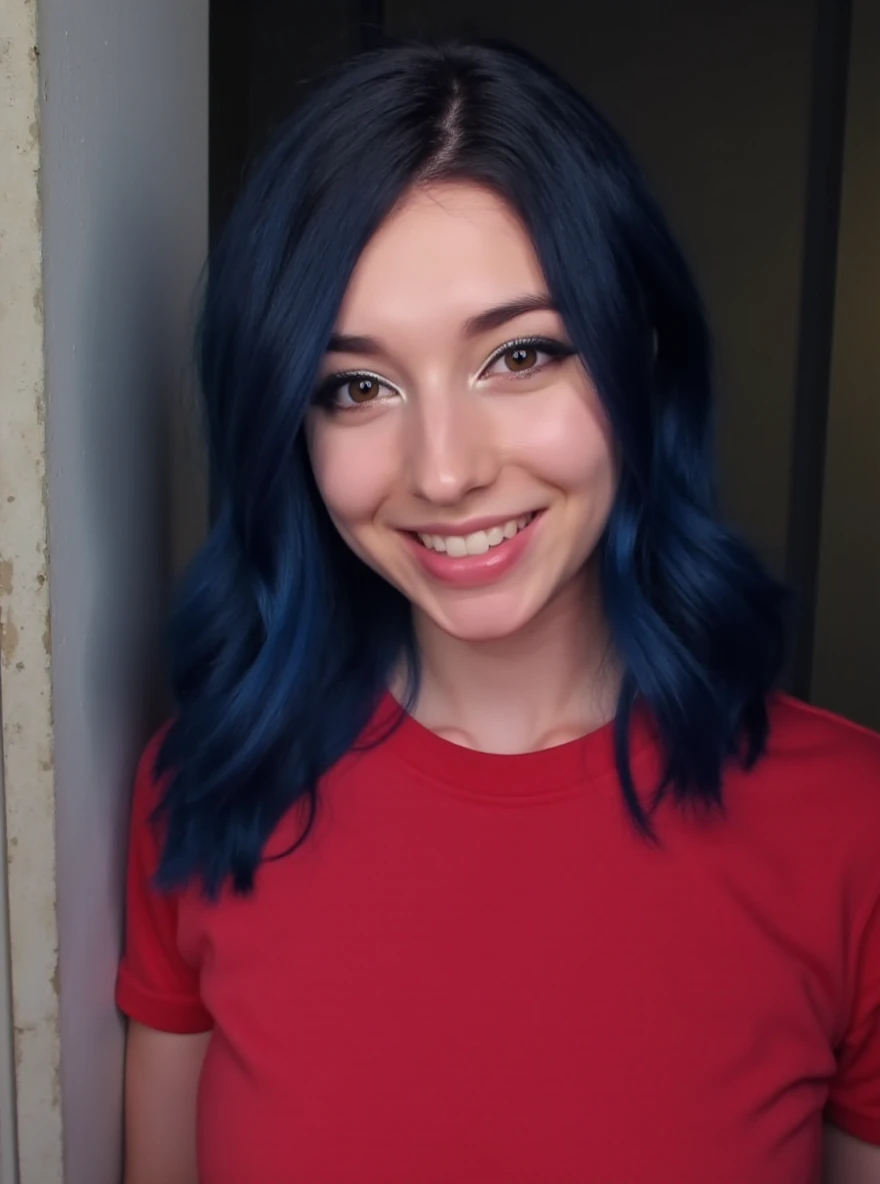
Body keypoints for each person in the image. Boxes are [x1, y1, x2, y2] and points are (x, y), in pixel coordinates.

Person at [117, 37, 880, 1184]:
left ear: (642, 361)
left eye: (519, 355)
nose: (443, 469)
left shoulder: (851, 827)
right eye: (357, 386)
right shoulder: (210, 790)